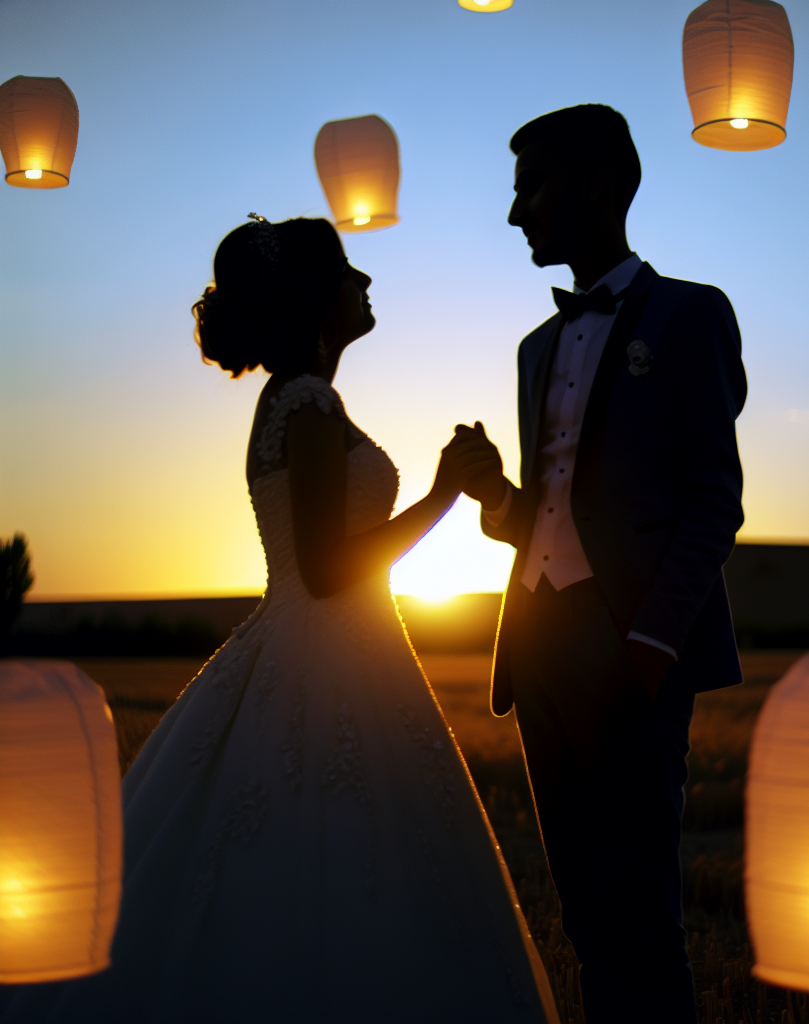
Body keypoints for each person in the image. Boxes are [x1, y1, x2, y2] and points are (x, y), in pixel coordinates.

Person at [4, 215, 557, 1024]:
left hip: (319, 644)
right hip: (328, 650)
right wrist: (442, 495)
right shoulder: (307, 403)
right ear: (315, 300)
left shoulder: (300, 400)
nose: (364, 282)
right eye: (347, 270)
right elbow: (330, 571)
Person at [459, 105, 748, 1023]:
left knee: (644, 925)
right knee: (586, 915)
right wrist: (491, 492)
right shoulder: (534, 348)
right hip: (537, 653)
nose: (516, 215)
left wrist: (651, 648)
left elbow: (715, 499)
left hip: (631, 657)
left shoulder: (693, 314)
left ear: (596, 184)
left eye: (529, 188)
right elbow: (544, 519)